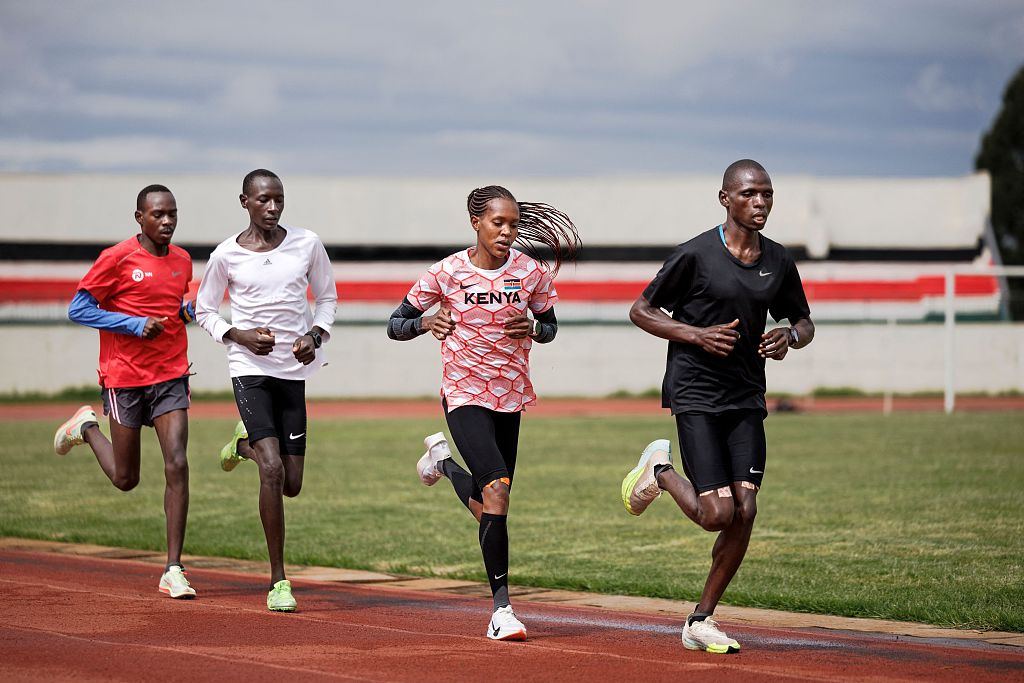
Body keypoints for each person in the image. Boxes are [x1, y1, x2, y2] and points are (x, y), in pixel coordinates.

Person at [621, 160, 814, 654]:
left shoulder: (778, 260)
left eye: (767, 194)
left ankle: (701, 619)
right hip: (696, 392)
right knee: (715, 513)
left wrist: (789, 335)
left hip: (747, 394)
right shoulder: (695, 255)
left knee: (745, 508)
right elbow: (641, 310)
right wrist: (696, 335)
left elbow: (804, 320)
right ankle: (659, 469)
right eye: (750, 194)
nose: (761, 203)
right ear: (725, 198)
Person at [388, 185, 580, 641]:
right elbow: (395, 325)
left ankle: (441, 464)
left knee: (491, 502)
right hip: (463, 393)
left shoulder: (530, 273)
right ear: (476, 222)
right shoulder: (446, 273)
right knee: (497, 492)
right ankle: (502, 610)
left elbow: (550, 327)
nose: (508, 232)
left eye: (513, 224)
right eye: (499, 223)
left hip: (510, 397)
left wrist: (534, 326)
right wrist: (424, 322)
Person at [195, 169, 336, 613]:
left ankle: (242, 443)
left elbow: (328, 299)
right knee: (271, 470)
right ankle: (278, 581)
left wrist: (314, 336)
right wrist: (238, 336)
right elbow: (203, 309)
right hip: (249, 368)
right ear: (244, 201)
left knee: (291, 484)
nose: (272, 208)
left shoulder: (307, 244)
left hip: (293, 372)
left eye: (278, 199)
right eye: (263, 200)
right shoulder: (226, 255)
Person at [53, 184, 197, 599]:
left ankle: (173, 568)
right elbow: (78, 308)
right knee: (126, 478)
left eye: (172, 213)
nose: (167, 221)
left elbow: (178, 306)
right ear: (140, 217)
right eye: (158, 215)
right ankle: (86, 428)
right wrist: (133, 324)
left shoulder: (183, 260)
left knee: (177, 462)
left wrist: (190, 311)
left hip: (170, 374)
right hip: (125, 377)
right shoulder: (115, 258)